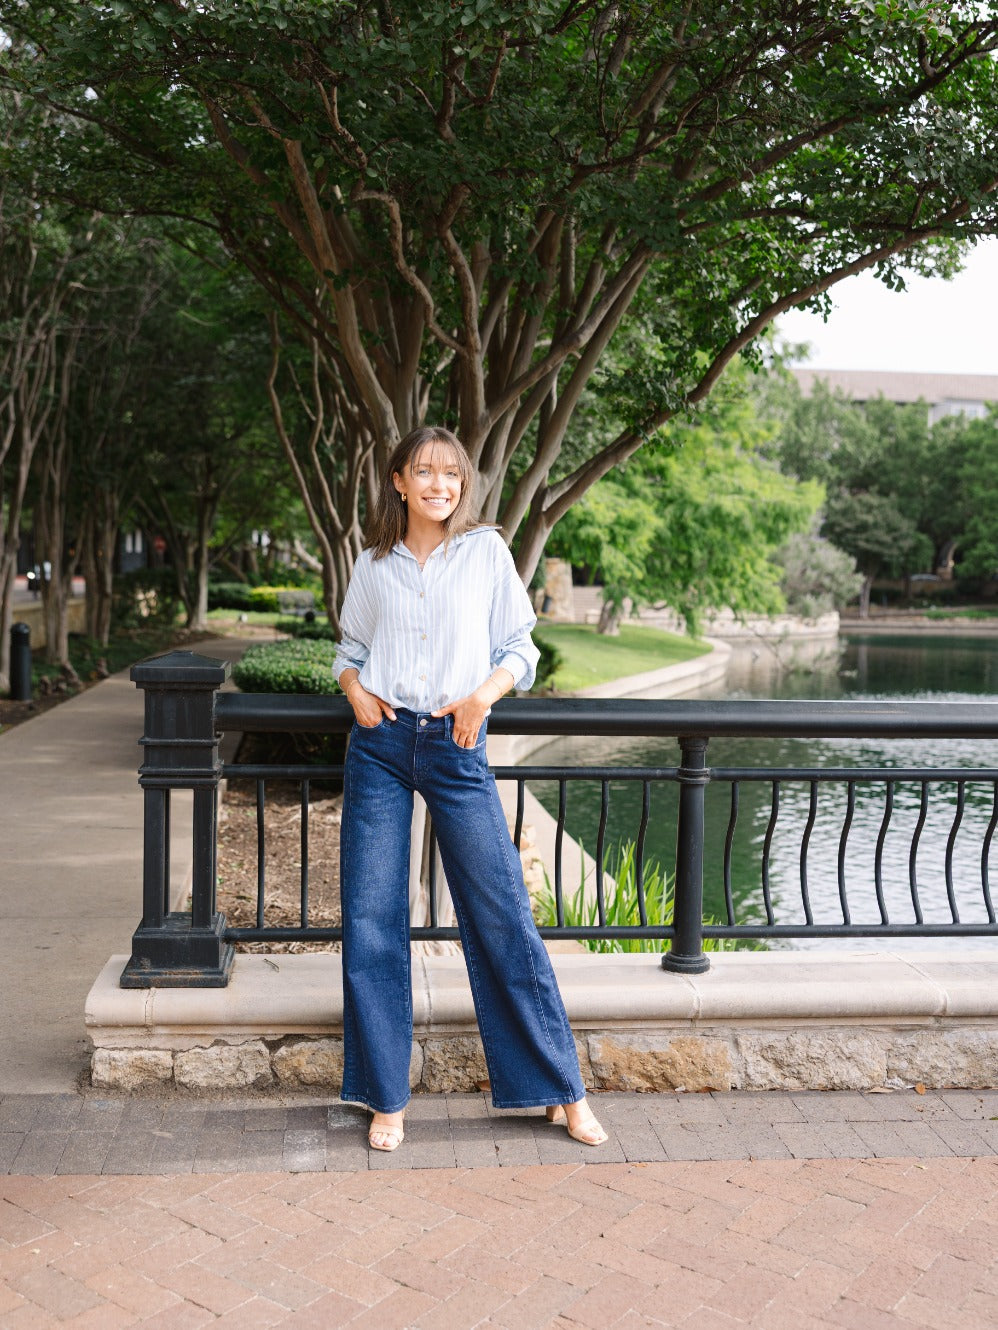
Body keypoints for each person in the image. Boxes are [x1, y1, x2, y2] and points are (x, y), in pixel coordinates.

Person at [333, 424, 607, 1152]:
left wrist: (481, 698)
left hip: (457, 746)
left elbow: (522, 647)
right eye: (424, 473)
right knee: (371, 920)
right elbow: (350, 648)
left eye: (451, 475)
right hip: (381, 747)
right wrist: (353, 686)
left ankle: (560, 1088)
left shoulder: (485, 553)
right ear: (399, 482)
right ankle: (385, 1097)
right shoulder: (375, 563)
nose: (439, 486)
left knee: (503, 915)